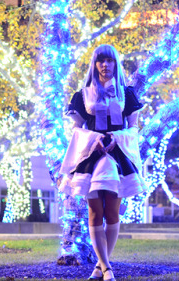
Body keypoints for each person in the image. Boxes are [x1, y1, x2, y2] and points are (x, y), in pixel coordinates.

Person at [59, 44, 146, 281]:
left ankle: (101, 266)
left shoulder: (127, 94)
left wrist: (116, 139)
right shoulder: (81, 96)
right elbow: (76, 131)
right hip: (92, 157)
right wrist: (95, 141)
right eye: (100, 61)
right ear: (94, 64)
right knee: (95, 212)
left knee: (112, 212)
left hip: (117, 157)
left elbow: (134, 128)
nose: (105, 65)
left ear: (116, 63)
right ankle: (107, 269)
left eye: (109, 60)